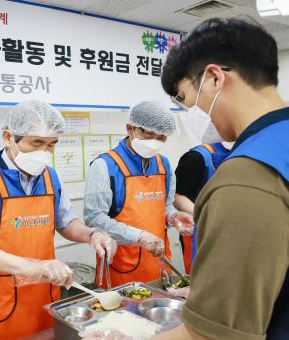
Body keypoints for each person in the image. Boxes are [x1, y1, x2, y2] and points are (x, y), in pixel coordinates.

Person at [154, 17, 289, 339]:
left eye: (186, 100)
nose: (192, 114)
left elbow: (211, 335)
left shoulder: (248, 174)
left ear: (214, 77)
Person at [0, 100, 117, 340]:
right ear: (8, 137)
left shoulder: (50, 176)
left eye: (51, 145)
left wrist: (92, 234)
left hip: (43, 298)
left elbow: (67, 223)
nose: (44, 152)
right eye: (36, 143)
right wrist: (28, 267)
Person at [84, 101, 194, 287]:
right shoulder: (105, 166)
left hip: (159, 262)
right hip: (122, 265)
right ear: (130, 128)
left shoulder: (164, 165)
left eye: (161, 137)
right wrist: (140, 236)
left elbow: (164, 206)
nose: (153, 142)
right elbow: (94, 218)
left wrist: (173, 217)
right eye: (147, 134)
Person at [174, 141, 232, 274]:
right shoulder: (196, 158)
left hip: (230, 232)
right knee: (200, 278)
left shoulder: (246, 155)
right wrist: (207, 216)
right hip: (199, 231)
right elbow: (177, 195)